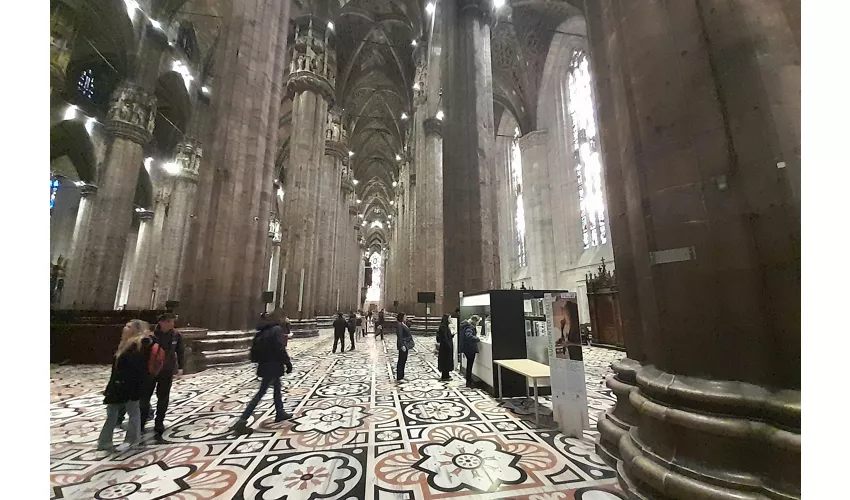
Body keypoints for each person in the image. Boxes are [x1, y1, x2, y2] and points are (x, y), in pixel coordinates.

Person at [232, 312, 294, 435]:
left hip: (265, 364)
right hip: (273, 365)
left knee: (277, 388)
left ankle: (280, 411)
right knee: (261, 393)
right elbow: (279, 348)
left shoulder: (263, 330)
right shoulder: (276, 330)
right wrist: (287, 362)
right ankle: (242, 420)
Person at [97, 320, 153, 451]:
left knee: (127, 412)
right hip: (119, 385)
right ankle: (108, 441)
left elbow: (135, 369)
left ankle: (129, 440)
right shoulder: (126, 344)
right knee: (117, 413)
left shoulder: (137, 345)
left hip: (127, 385)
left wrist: (128, 385)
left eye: (128, 327)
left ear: (135, 330)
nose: (124, 328)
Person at [140, 313, 184, 440]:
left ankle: (159, 422)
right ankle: (142, 422)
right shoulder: (151, 335)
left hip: (167, 370)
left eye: (173, 321)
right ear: (162, 322)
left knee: (163, 397)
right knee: (145, 396)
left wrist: (180, 367)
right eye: (170, 321)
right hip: (151, 370)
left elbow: (180, 351)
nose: (172, 324)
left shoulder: (176, 335)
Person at [460, 315, 482, 388]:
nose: (478, 323)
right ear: (474, 321)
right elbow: (469, 336)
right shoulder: (469, 327)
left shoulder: (466, 325)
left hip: (467, 348)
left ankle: (469, 380)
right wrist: (477, 339)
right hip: (470, 348)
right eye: (478, 322)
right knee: (470, 365)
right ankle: (469, 382)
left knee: (469, 365)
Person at [395, 312, 414, 382]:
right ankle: (399, 377)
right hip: (403, 345)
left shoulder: (403, 324)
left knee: (404, 360)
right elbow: (399, 336)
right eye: (405, 316)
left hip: (406, 344)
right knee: (401, 361)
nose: (406, 318)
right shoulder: (399, 325)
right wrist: (402, 345)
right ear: (401, 317)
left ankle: (402, 375)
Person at [436, 314, 454, 381]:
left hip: (446, 347)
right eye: (449, 318)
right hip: (445, 348)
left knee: (447, 361)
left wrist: (451, 336)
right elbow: (444, 338)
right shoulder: (443, 327)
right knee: (445, 361)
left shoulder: (445, 326)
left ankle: (446, 374)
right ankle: (445, 375)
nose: (450, 319)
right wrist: (448, 345)